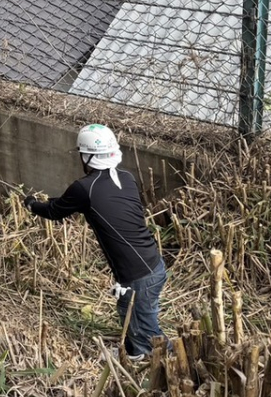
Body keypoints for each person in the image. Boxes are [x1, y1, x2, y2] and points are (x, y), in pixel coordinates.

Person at [23, 124, 166, 358]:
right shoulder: (126, 177)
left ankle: (161, 361)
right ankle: (133, 350)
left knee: (147, 331)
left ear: (86, 157)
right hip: (152, 264)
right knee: (128, 310)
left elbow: (54, 211)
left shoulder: (84, 188)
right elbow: (81, 201)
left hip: (139, 274)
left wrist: (31, 204)